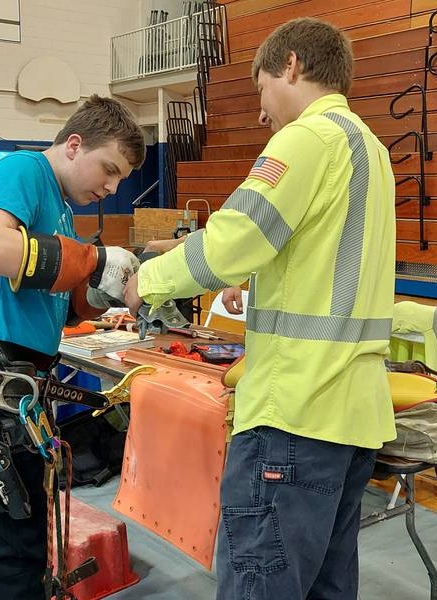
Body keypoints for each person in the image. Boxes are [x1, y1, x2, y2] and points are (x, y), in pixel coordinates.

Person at [124, 18, 397, 600]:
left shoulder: (307, 140)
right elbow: (319, 253)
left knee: (260, 583)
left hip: (293, 410)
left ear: (292, 65)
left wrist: (146, 281)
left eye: (261, 90)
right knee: (325, 585)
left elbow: (232, 240)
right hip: (352, 415)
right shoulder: (370, 149)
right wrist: (258, 278)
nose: (261, 112)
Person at [0, 94, 145, 599]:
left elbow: (43, 301)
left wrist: (96, 293)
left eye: (120, 180)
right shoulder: (25, 170)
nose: (111, 187)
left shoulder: (61, 210)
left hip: (6, 390)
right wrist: (91, 261)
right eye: (108, 169)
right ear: (74, 145)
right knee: (17, 555)